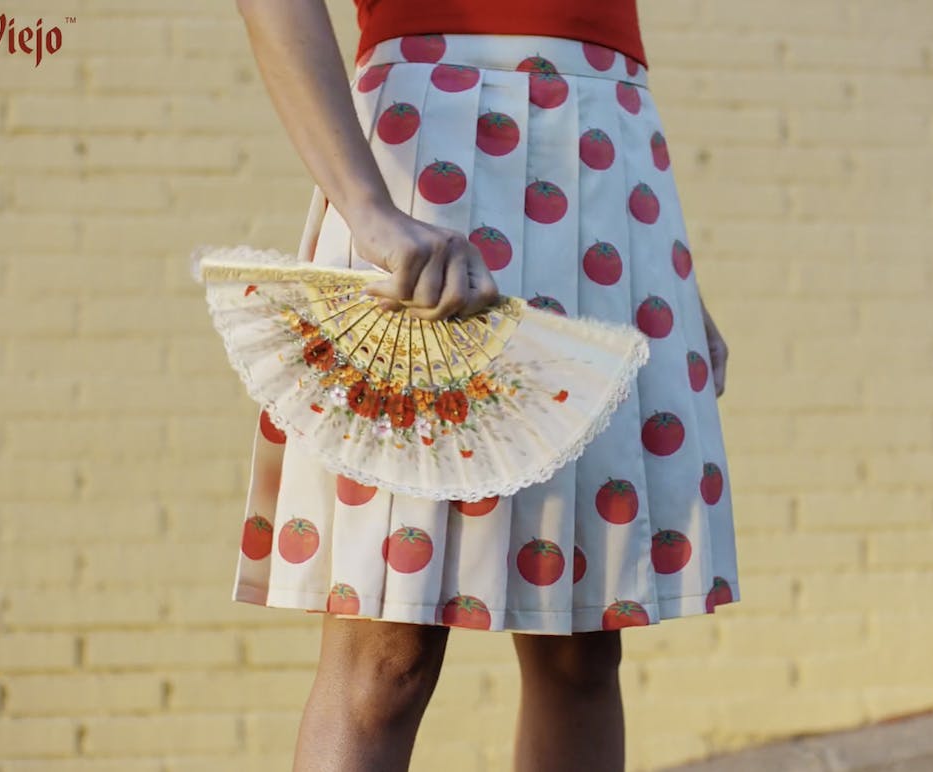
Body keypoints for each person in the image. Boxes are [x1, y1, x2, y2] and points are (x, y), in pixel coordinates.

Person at [230, 2, 740, 770]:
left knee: (582, 647)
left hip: (606, 159)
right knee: (386, 653)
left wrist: (663, 271)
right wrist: (364, 206)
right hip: (426, 150)